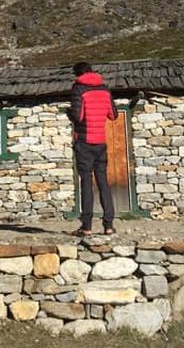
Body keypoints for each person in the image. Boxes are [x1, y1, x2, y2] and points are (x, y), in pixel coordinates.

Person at [67, 61, 116, 236]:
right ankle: (108, 225)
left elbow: (78, 116)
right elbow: (113, 115)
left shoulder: (78, 89)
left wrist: (68, 112)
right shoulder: (105, 89)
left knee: (86, 181)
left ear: (77, 74)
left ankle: (86, 226)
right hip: (100, 142)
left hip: (84, 142)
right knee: (103, 181)